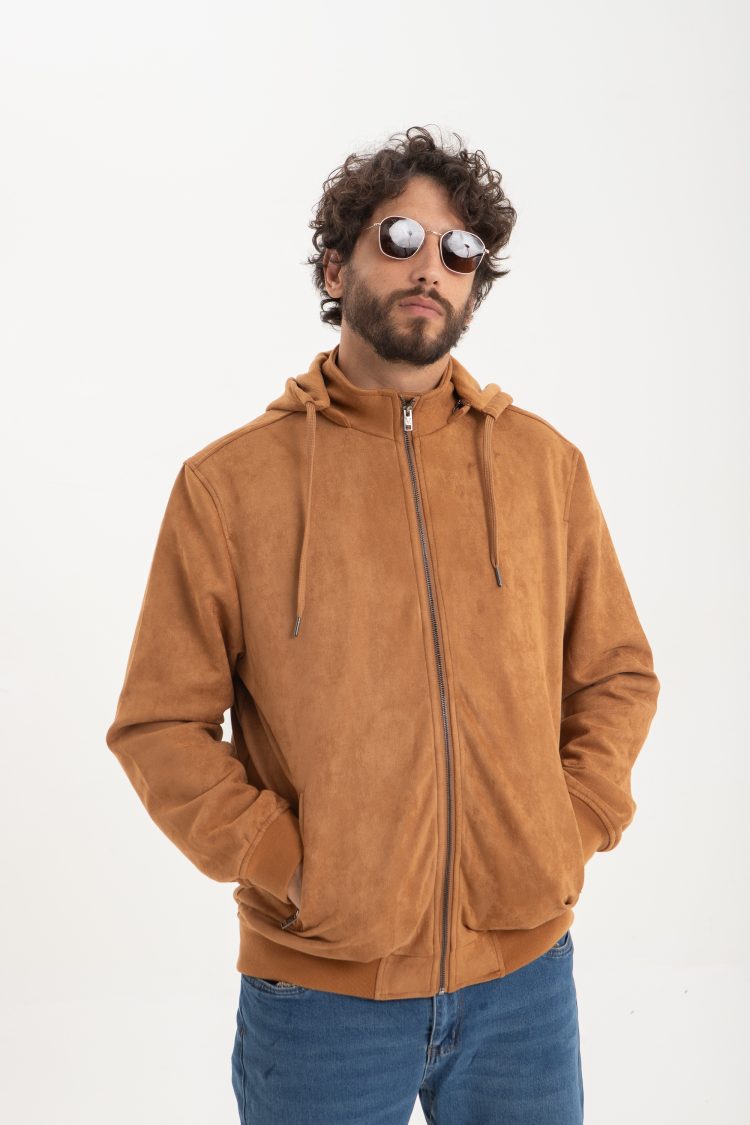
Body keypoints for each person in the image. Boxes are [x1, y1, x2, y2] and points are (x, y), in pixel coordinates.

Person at [105, 125, 660, 1124]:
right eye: (400, 237)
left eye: (459, 250)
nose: (430, 267)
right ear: (336, 266)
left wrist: (568, 826)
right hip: (321, 999)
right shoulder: (230, 487)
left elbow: (616, 674)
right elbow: (159, 725)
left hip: (524, 988)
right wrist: (290, 865)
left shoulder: (544, 468)